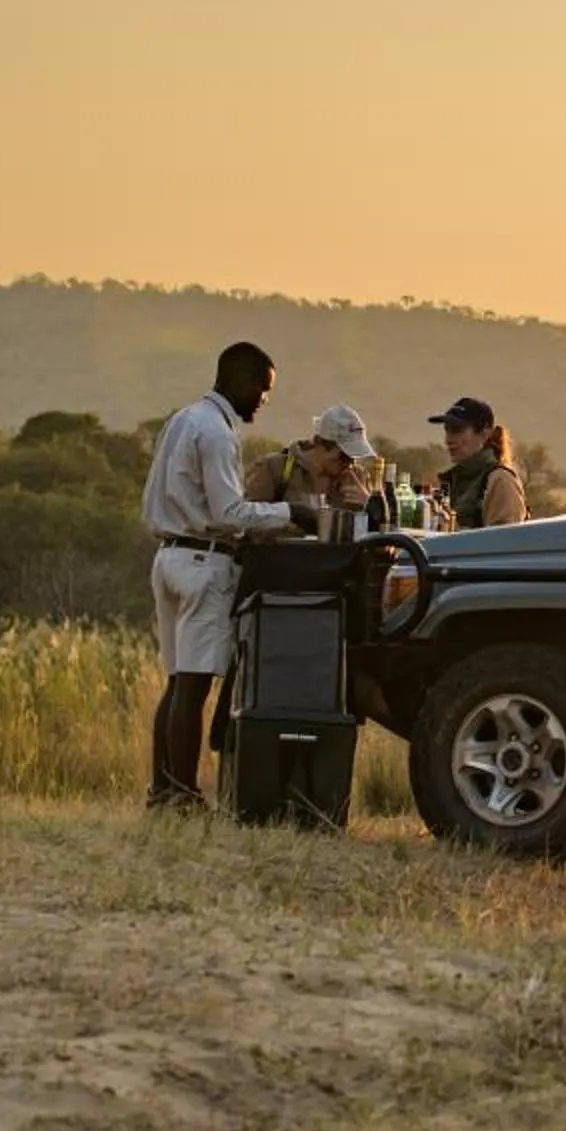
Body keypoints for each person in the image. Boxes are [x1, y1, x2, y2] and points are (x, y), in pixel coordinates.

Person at [140, 342, 317, 808]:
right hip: (203, 561)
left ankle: (162, 790)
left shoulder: (184, 418)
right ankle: (183, 793)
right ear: (239, 380)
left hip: (168, 556)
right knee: (194, 684)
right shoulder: (217, 432)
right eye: (262, 388)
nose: (264, 398)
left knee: (178, 682)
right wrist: (293, 513)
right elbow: (230, 512)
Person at [246, 404, 379, 520]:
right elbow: (246, 521)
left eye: (355, 456)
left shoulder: (358, 480)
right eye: (344, 456)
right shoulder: (274, 468)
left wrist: (367, 505)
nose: (350, 463)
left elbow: (378, 530)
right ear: (319, 443)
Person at [430, 395, 527, 528]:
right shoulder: (452, 481)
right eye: (447, 430)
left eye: (457, 430)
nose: (448, 440)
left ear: (484, 433)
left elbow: (504, 543)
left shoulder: (500, 480)